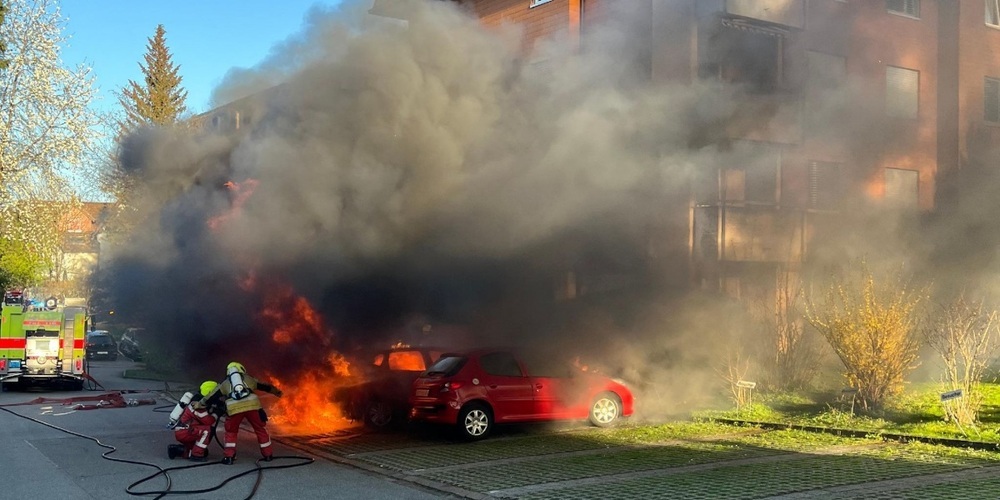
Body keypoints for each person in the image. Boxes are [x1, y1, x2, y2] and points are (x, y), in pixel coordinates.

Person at [210, 361, 283, 464]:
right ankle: (268, 455)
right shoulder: (248, 379)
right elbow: (265, 386)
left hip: (234, 409)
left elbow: (211, 396)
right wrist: (278, 392)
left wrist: (199, 404)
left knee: (231, 432)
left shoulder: (225, 384)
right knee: (260, 430)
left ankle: (229, 457)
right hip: (252, 407)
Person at [168, 381, 224, 461]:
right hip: (185, 432)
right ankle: (196, 455)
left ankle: (176, 450)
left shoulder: (197, 401)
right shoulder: (198, 406)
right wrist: (217, 413)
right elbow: (208, 421)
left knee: (204, 452)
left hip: (186, 430)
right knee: (207, 430)